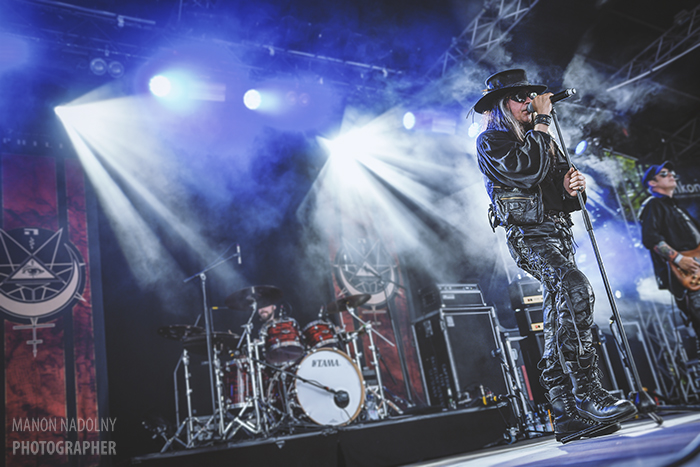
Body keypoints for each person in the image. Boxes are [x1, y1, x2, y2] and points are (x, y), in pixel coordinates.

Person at [473, 69, 637, 441]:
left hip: (559, 235)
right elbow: (525, 170)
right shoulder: (492, 141)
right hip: (529, 237)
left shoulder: (542, 138)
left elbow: (562, 189)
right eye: (520, 98)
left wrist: (571, 186)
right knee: (575, 287)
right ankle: (589, 393)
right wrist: (543, 123)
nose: (529, 102)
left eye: (532, 96)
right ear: (502, 106)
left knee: (557, 314)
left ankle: (564, 415)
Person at [639, 161, 700, 347]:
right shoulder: (653, 205)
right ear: (652, 183)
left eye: (671, 172)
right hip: (688, 274)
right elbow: (650, 238)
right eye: (664, 174)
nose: (671, 175)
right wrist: (679, 259)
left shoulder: (676, 206)